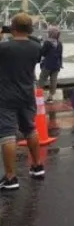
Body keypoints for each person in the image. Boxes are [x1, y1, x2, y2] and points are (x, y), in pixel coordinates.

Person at [0, 13, 45, 190]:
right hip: (27, 95)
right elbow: (32, 40)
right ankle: (37, 165)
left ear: (13, 27)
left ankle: (11, 177)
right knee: (30, 129)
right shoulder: (36, 47)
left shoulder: (4, 48)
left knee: (7, 135)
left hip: (6, 96)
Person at [39, 26, 63, 103]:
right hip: (56, 65)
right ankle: (50, 97)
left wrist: (41, 43)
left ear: (50, 33)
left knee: (42, 80)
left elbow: (42, 52)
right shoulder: (59, 43)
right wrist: (60, 64)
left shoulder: (47, 42)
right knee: (54, 81)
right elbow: (60, 55)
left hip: (47, 65)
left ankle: (38, 96)